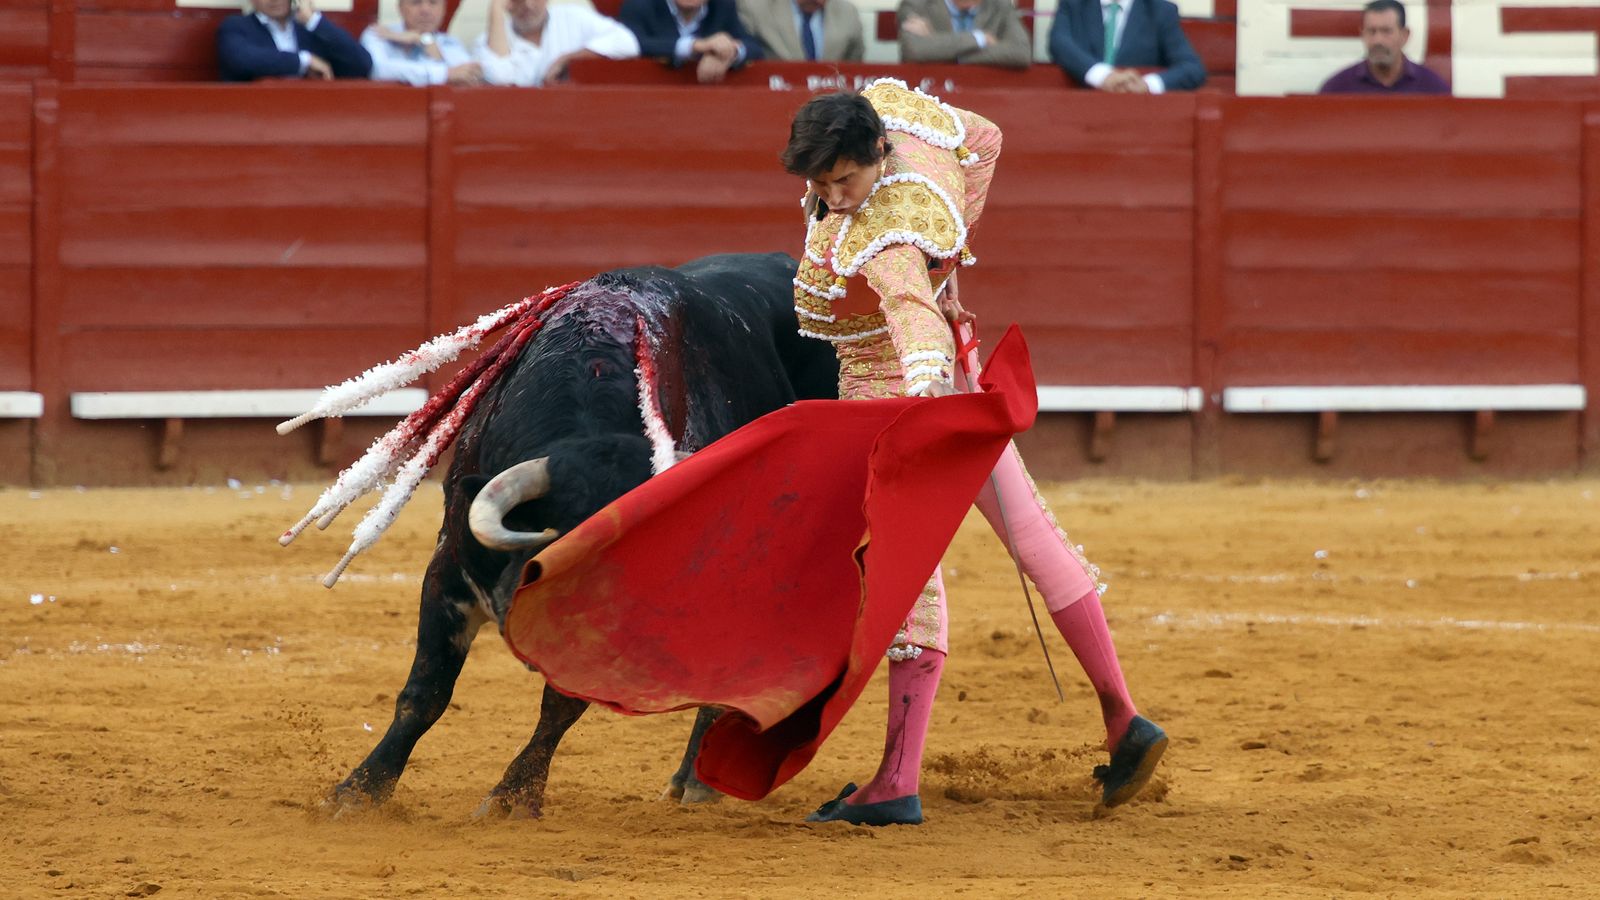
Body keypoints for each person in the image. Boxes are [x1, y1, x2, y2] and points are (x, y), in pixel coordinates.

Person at [783, 81, 1167, 826]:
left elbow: (910, 320)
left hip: (897, 401)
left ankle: (896, 781)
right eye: (820, 182)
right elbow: (985, 138)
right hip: (959, 381)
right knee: (1031, 535)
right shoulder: (908, 130)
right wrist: (949, 257)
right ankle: (1125, 717)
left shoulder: (886, 234)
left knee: (905, 576)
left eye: (846, 179)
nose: (834, 196)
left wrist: (923, 391)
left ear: (878, 154)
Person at [1047, 0, 1204, 92]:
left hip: (1139, 120)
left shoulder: (1160, 10)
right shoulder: (1074, 4)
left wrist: (1147, 85)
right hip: (1079, 114)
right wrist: (1104, 76)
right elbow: (1059, 44)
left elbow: (1192, 68)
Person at [477, 0, 640, 87]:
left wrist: (569, 58)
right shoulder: (490, 38)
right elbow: (499, 78)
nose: (528, 5)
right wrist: (496, 10)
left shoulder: (572, 17)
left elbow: (628, 42)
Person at [216, 0, 371, 82]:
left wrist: (314, 21)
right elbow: (241, 60)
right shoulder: (236, 26)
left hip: (313, 119)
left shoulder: (311, 29)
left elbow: (361, 64)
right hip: (257, 121)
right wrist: (304, 61)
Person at [1318, 0, 1449, 94]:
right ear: (1362, 34)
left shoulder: (1433, 88)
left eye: (1386, 31)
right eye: (1371, 31)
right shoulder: (1337, 89)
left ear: (1405, 35)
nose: (1377, 40)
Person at [620, 0, 762, 84]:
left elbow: (754, 48)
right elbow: (633, 43)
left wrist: (728, 52)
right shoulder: (640, 4)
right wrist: (695, 46)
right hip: (651, 99)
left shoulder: (722, 5)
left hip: (707, 105)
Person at [361, 0, 483, 86]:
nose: (425, 10)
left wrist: (423, 40)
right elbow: (377, 69)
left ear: (443, 9)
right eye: (416, 2)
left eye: (433, 2)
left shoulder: (450, 43)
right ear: (400, 7)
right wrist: (444, 74)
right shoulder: (378, 34)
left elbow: (469, 75)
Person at [895, 0, 1031, 69]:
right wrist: (979, 38)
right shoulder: (918, 3)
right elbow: (913, 50)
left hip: (983, 94)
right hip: (930, 93)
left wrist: (941, 48)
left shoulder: (1000, 5)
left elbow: (1021, 53)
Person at [739, 0, 865, 62]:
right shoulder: (755, 8)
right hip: (773, 97)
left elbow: (854, 63)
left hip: (831, 104)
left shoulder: (848, 12)